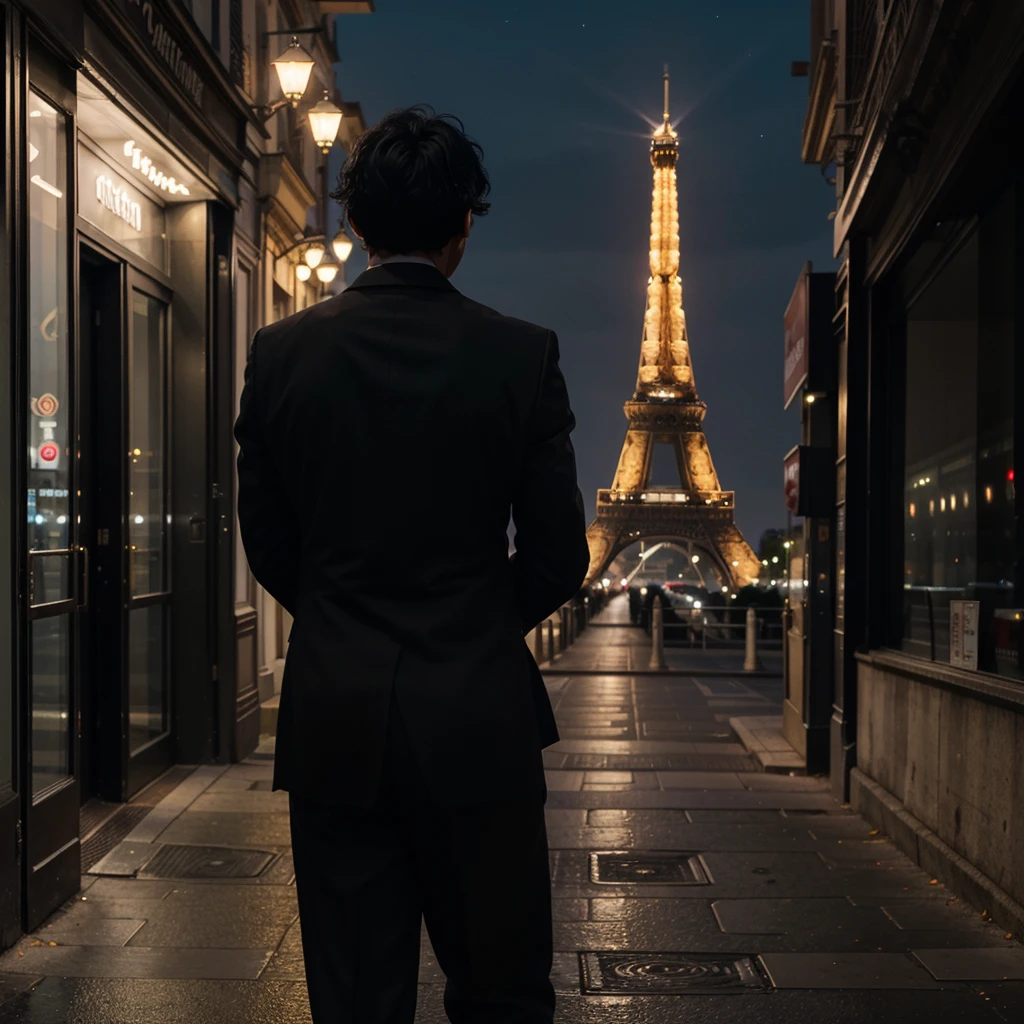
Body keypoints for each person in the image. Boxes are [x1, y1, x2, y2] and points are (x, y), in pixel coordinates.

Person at [234, 106, 590, 1024]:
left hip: (336, 720)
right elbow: (557, 557)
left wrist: (346, 620)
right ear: (463, 225)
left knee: (355, 999)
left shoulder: (279, 355)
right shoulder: (520, 356)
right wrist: (467, 625)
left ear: (354, 224)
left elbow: (267, 540)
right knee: (503, 992)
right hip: (478, 721)